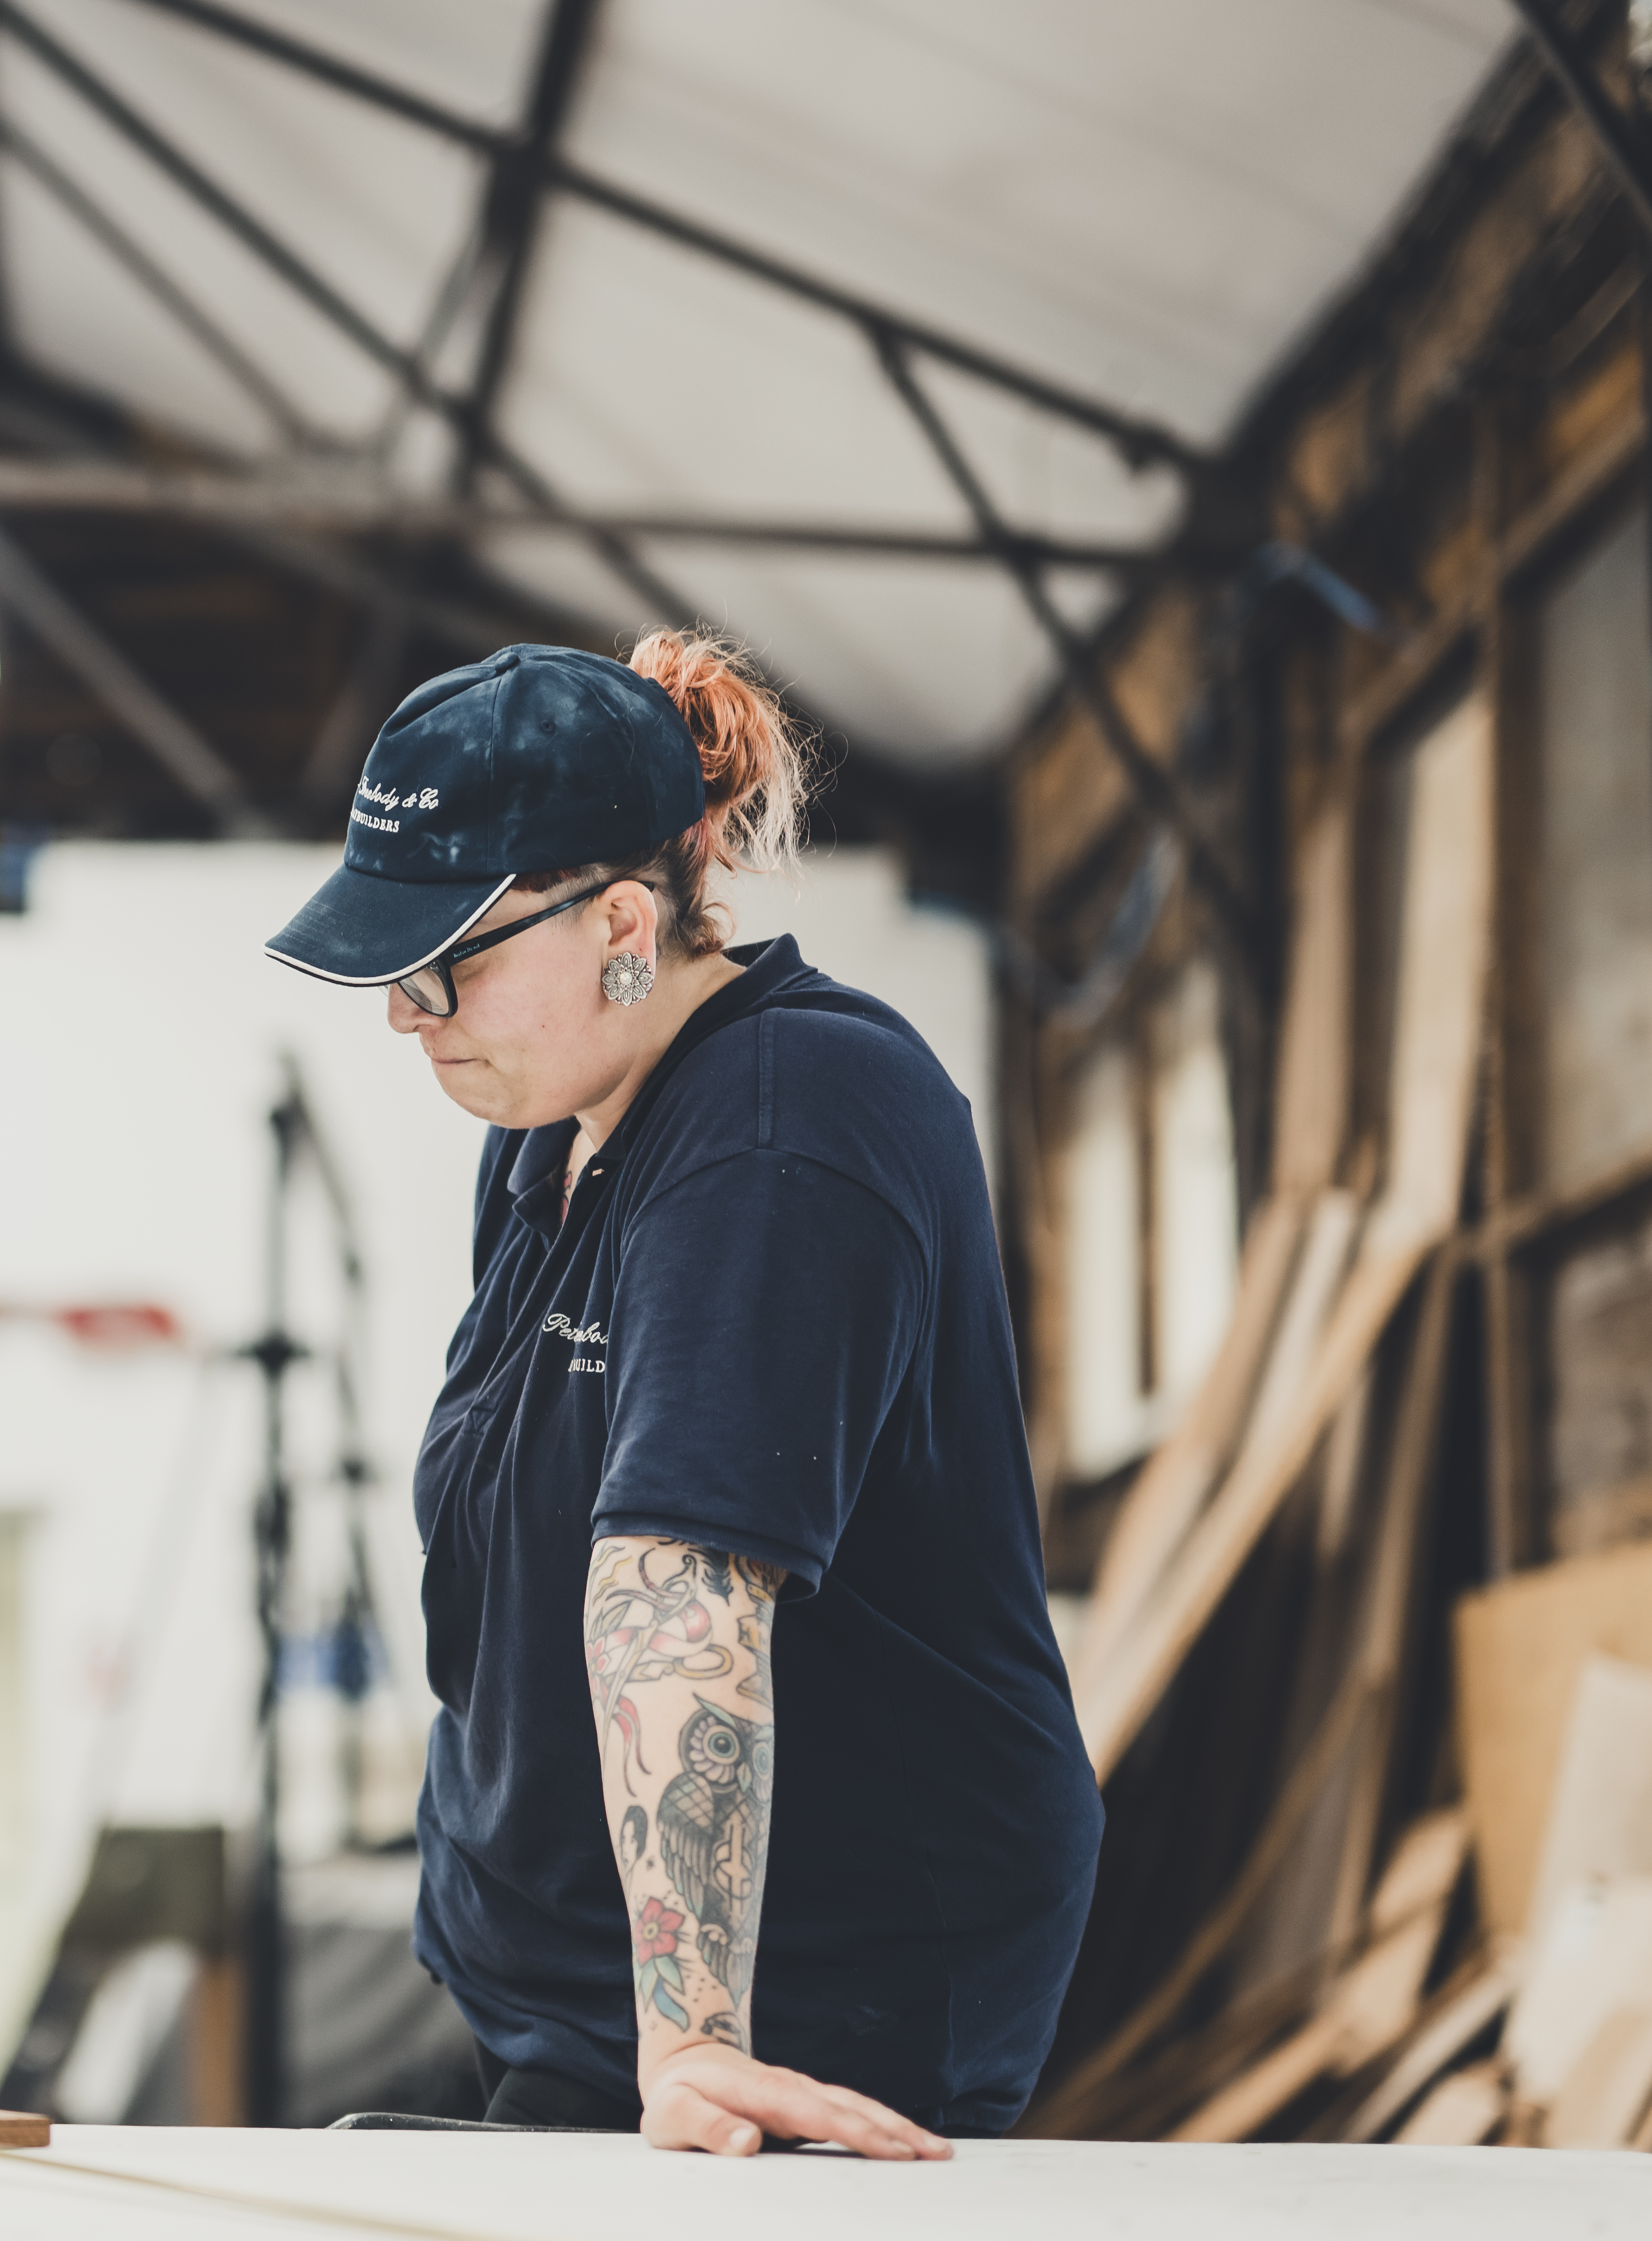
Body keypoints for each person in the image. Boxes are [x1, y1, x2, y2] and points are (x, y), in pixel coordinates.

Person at [266, 636, 1101, 2157]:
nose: (407, 1009)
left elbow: (682, 1585)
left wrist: (697, 2042)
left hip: (800, 2015)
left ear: (626, 926)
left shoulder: (784, 1131)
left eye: (445, 959)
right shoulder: (551, 1132)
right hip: (577, 2009)